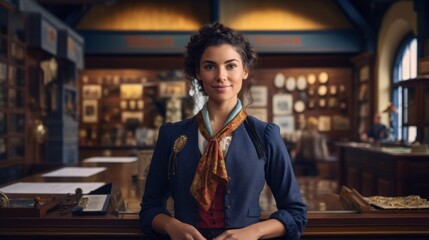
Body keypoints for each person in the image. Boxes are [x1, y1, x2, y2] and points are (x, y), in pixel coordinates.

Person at [140, 22, 307, 240]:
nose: (221, 76)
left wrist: (254, 232)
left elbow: (295, 213)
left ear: (245, 70)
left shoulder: (265, 135)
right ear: (198, 72)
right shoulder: (171, 135)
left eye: (231, 66)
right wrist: (172, 226)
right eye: (210, 66)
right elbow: (150, 207)